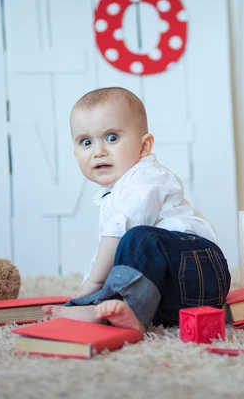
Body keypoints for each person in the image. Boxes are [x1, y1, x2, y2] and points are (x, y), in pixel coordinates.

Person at [42, 87, 231, 333]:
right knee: (120, 250)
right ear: (75, 151)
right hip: (166, 293)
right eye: (86, 142)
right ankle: (110, 310)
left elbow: (117, 240)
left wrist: (92, 285)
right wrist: (81, 296)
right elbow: (106, 253)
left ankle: (124, 310)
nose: (98, 151)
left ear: (144, 147)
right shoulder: (113, 194)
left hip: (199, 270)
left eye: (111, 138)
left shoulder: (147, 178)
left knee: (138, 237)